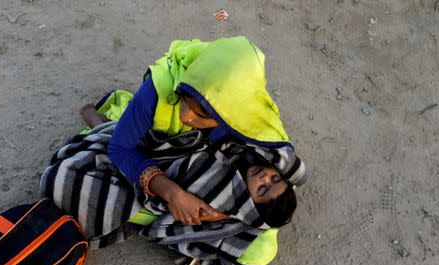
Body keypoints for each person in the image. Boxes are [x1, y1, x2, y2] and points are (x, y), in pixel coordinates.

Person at [79, 36, 306, 228]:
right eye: (187, 101)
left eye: (203, 116)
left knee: (258, 240)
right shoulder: (157, 92)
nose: (187, 117)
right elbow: (120, 149)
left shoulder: (244, 111)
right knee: (110, 194)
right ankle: (98, 121)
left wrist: (224, 213)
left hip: (195, 158)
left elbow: (287, 170)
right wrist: (173, 194)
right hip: (156, 144)